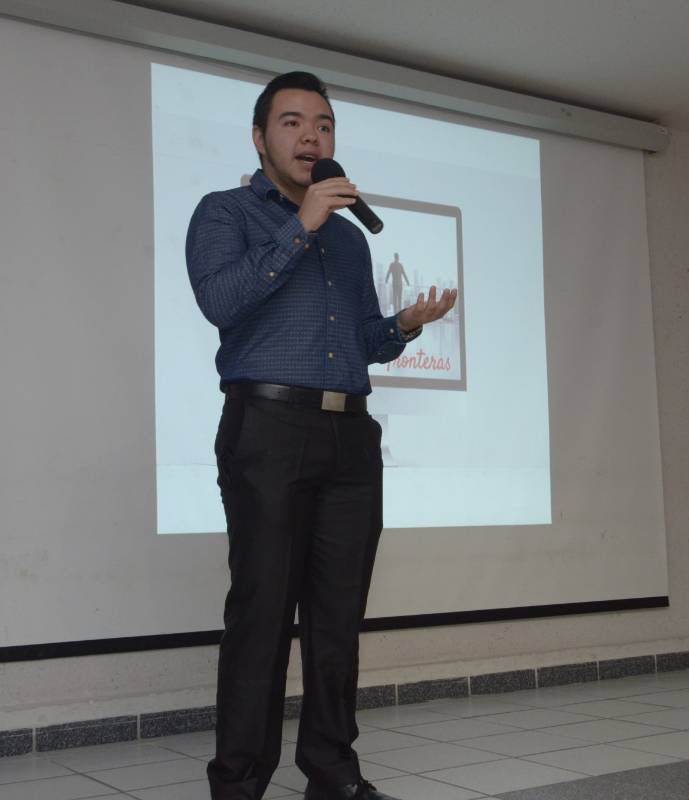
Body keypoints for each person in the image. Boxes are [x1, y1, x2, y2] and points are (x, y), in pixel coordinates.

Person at [185, 72, 456, 800]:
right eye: (293, 122)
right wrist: (299, 225)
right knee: (263, 615)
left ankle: (332, 775)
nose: (312, 136)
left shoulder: (348, 239)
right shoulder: (225, 212)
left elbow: (362, 341)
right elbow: (221, 301)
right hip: (267, 431)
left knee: (338, 621)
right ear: (260, 137)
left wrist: (403, 326)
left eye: (325, 125)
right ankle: (238, 785)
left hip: (350, 438)